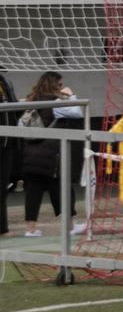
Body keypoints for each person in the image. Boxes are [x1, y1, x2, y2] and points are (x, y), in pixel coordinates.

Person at [17, 72, 86, 238]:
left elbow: (20, 124)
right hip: (51, 156)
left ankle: (30, 230)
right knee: (64, 191)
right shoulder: (56, 103)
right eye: (60, 85)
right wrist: (71, 95)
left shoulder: (31, 101)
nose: (62, 88)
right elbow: (77, 112)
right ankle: (70, 227)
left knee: (33, 192)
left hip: (31, 154)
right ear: (55, 85)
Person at [0, 70, 19, 236]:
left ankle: (2, 228)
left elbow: (13, 105)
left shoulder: (5, 81)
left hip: (7, 142)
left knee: (2, 187)